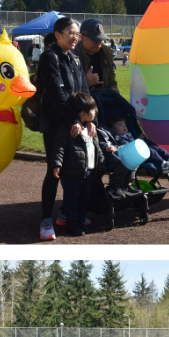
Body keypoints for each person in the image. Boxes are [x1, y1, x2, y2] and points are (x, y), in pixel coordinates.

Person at [35, 17, 88, 241]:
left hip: (76, 123)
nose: (75, 37)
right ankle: (46, 218)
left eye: (77, 34)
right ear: (57, 35)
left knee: (75, 171)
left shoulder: (75, 59)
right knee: (54, 171)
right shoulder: (49, 57)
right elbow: (57, 95)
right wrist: (74, 119)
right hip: (56, 125)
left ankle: (67, 213)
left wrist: (89, 118)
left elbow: (84, 91)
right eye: (71, 33)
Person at [50, 90, 103, 236]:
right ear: (83, 113)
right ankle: (72, 223)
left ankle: (80, 221)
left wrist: (101, 163)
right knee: (72, 199)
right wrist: (57, 164)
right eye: (93, 110)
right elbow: (59, 147)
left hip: (88, 171)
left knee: (84, 199)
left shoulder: (90, 128)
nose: (95, 112)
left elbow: (97, 148)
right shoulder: (68, 129)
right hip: (72, 172)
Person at [97, 115, 169, 198]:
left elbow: (134, 143)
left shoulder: (128, 135)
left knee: (155, 147)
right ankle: (164, 165)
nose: (124, 127)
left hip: (137, 152)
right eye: (120, 125)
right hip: (133, 154)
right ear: (112, 129)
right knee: (151, 151)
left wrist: (139, 139)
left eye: (125, 125)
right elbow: (125, 146)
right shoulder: (117, 137)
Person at [74, 18, 117, 93]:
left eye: (101, 39)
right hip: (83, 100)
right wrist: (87, 82)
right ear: (82, 38)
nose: (99, 43)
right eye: (95, 40)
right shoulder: (72, 55)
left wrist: (113, 88)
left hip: (105, 97)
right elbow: (68, 87)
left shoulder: (107, 52)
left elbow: (111, 77)